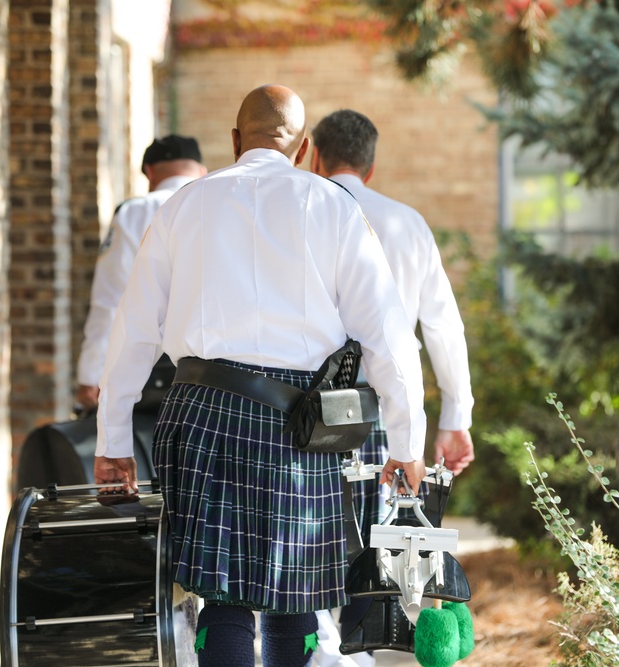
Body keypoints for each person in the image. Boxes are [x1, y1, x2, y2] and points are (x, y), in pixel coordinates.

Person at [94, 84, 427, 667]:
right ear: (302, 150)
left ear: (233, 139)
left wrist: (113, 441)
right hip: (297, 425)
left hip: (199, 416)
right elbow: (388, 338)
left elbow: (133, 332)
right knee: (293, 593)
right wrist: (407, 442)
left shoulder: (183, 206)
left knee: (220, 593)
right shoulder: (332, 206)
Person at [309, 109, 476, 667]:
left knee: (305, 536)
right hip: (384, 406)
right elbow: (443, 326)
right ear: (372, 166)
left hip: (306, 408)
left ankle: (324, 651)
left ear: (313, 155)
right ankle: (360, 652)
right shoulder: (406, 223)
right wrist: (456, 415)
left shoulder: (303, 215)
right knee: (374, 538)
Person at [75, 134, 207, 410]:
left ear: (149, 172)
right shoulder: (226, 205)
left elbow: (111, 298)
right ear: (201, 170)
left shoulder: (137, 212)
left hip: (152, 372)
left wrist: (91, 373)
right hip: (226, 375)